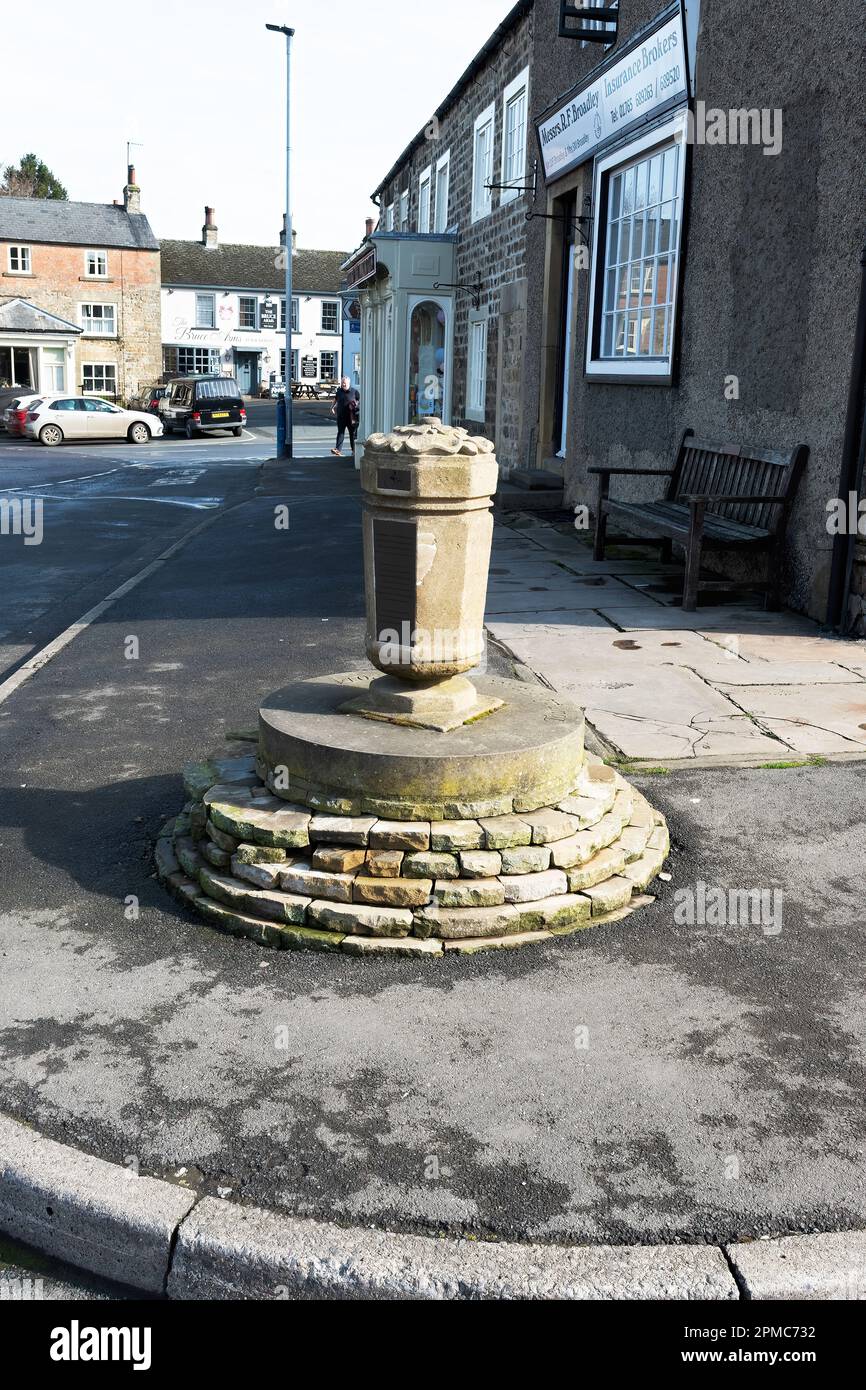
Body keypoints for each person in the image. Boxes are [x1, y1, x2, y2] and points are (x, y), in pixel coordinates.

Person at [331, 377, 360, 457]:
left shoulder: (354, 391)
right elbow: (335, 399)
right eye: (342, 382)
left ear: (349, 383)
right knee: (340, 432)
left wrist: (356, 405)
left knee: (352, 434)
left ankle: (354, 450)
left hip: (351, 417)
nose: (343, 384)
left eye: (345, 383)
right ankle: (338, 450)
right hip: (341, 416)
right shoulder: (339, 391)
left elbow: (359, 400)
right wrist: (332, 407)